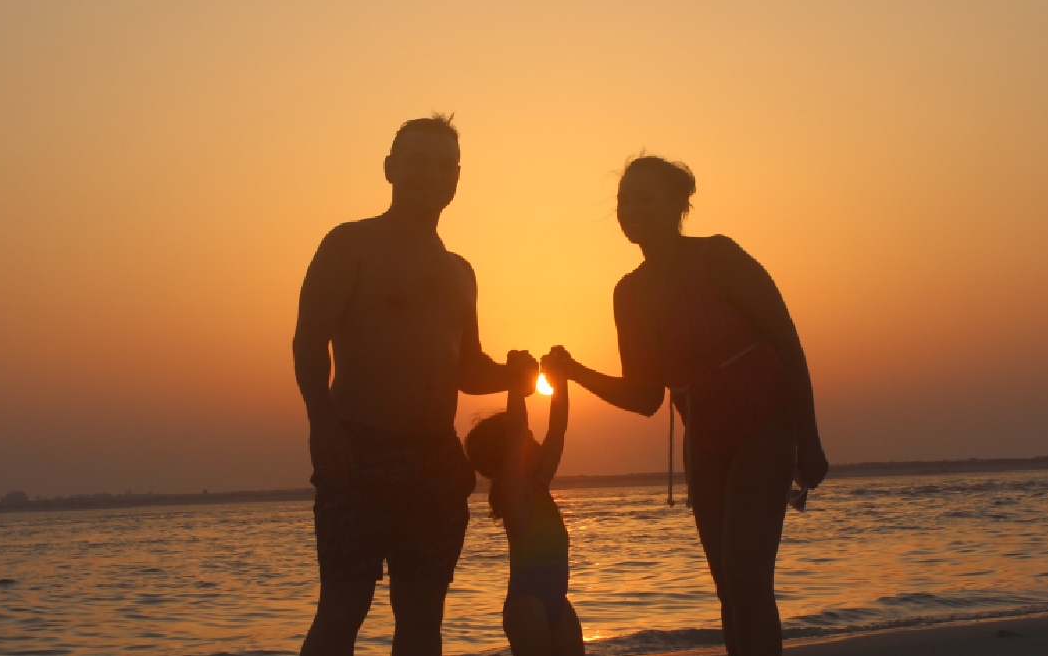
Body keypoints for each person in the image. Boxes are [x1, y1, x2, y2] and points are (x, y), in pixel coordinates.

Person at [541, 155, 830, 656]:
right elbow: (645, 397)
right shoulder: (628, 293)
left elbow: (786, 341)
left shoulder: (720, 257)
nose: (631, 210)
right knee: (727, 587)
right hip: (705, 440)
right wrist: (574, 372)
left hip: (765, 422)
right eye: (624, 201)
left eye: (645, 198)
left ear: (680, 202)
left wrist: (809, 439)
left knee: (747, 579)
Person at [293, 114, 539, 656]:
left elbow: (467, 368)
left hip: (436, 460)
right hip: (359, 449)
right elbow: (308, 343)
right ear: (390, 169)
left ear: (458, 177)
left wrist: (512, 375)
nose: (433, 174)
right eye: (418, 161)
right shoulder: (350, 244)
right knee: (342, 609)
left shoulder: (460, 271)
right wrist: (322, 425)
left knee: (424, 619)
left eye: (446, 165)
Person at [463, 366, 583, 656]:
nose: (537, 440)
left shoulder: (539, 485)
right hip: (527, 606)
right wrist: (516, 383)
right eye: (530, 438)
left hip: (557, 601)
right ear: (512, 454)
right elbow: (516, 431)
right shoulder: (515, 495)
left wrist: (560, 379)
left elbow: (558, 428)